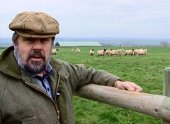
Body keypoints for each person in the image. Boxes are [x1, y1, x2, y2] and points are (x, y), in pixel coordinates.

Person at [0, 11, 142, 124]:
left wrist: (116, 82)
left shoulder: (61, 71)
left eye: (44, 40)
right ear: (15, 43)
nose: (37, 47)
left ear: (52, 44)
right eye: (29, 40)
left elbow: (89, 74)